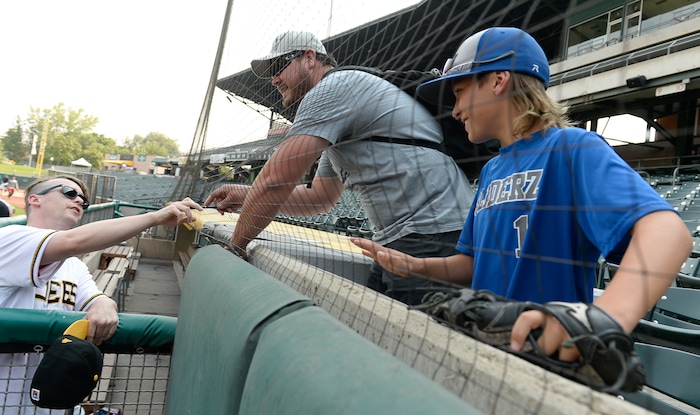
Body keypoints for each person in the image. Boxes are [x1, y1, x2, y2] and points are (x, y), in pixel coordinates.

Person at [351, 27, 691, 361]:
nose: (454, 111)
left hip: (546, 354)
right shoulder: (491, 170)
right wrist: (415, 265)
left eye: (459, 92)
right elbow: (473, 263)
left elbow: (670, 234)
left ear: (498, 81)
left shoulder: (571, 148)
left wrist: (603, 317)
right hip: (487, 349)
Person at [205, 31, 474, 305]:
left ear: (309, 58)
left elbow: (276, 179)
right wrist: (246, 194)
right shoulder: (337, 106)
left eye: (278, 67)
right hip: (403, 240)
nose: (273, 79)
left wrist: (235, 246)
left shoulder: (334, 88)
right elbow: (320, 198)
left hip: (432, 235)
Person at [0, 175, 202, 414]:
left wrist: (104, 303)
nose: (79, 201)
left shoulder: (73, 265)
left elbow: (94, 297)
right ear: (35, 199)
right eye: (69, 192)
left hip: (53, 401)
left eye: (84, 201)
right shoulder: (8, 238)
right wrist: (156, 217)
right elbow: (74, 241)